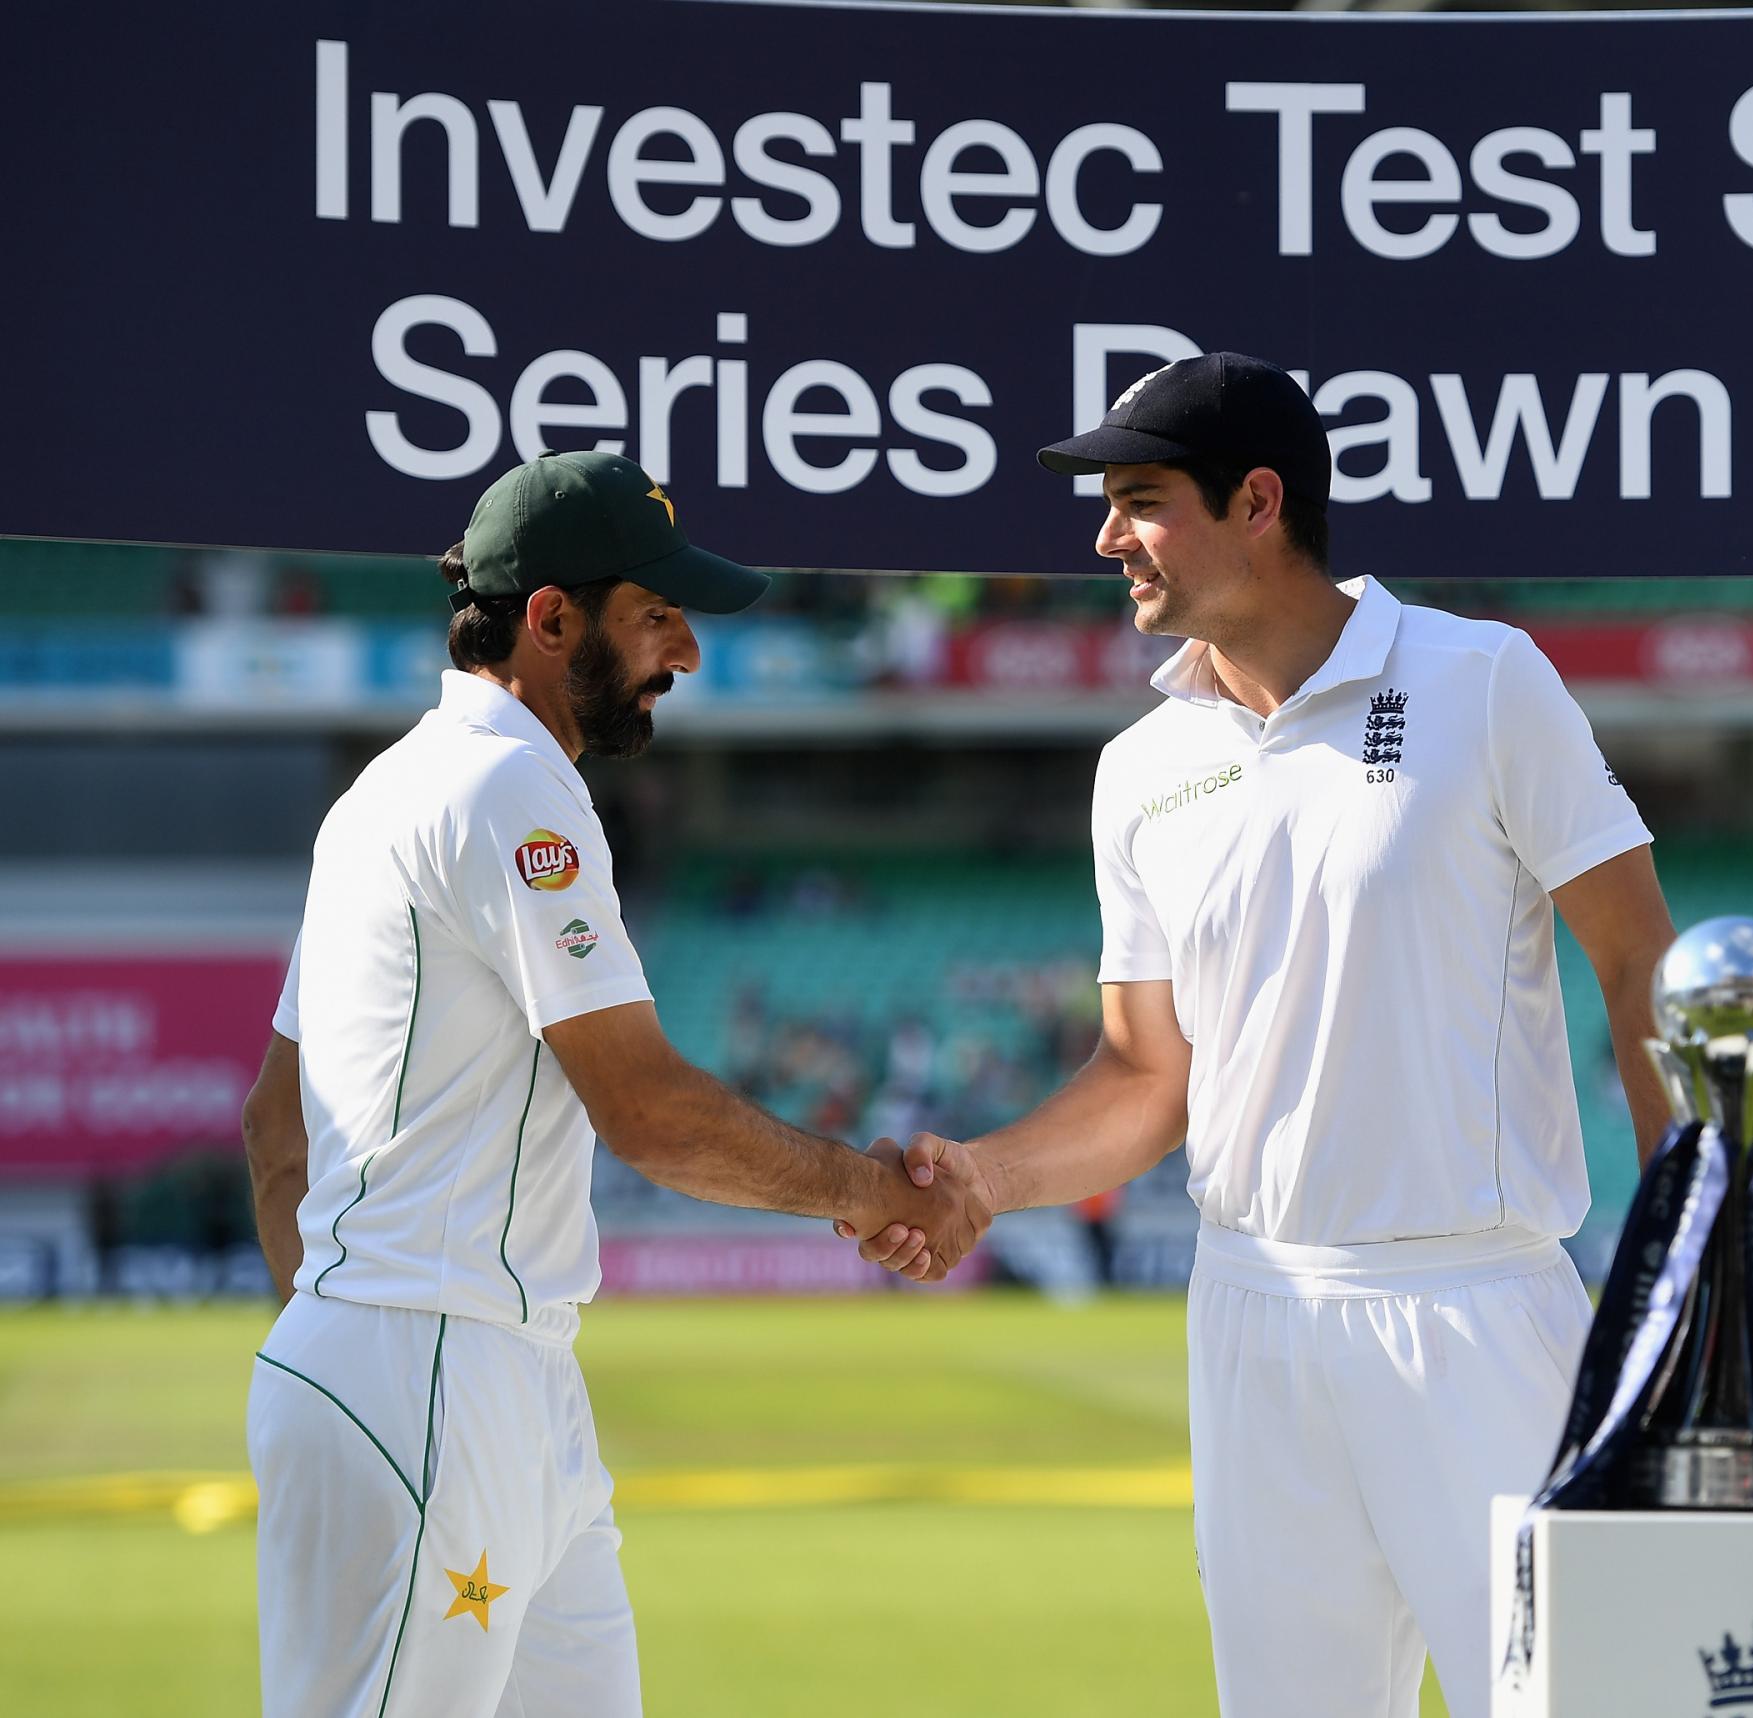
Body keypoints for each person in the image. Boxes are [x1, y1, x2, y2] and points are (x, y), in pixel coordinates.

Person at [843, 353, 1678, 1718]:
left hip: (1477, 1307)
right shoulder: (1141, 766)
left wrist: (1679, 1255)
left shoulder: (1484, 680)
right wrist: (984, 1178)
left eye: (1143, 499)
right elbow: (1143, 1073)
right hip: (1251, 1316)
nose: (1107, 536)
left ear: (1260, 503)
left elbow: (1641, 960)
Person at [238, 449, 986, 1718]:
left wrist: (348, 1347)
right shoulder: (511, 783)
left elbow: (274, 1133)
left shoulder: (385, 792)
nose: (684, 653)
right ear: (548, 619)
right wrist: (872, 1192)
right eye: (655, 615)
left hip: (469, 1370)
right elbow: (646, 1111)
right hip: (436, 1367)